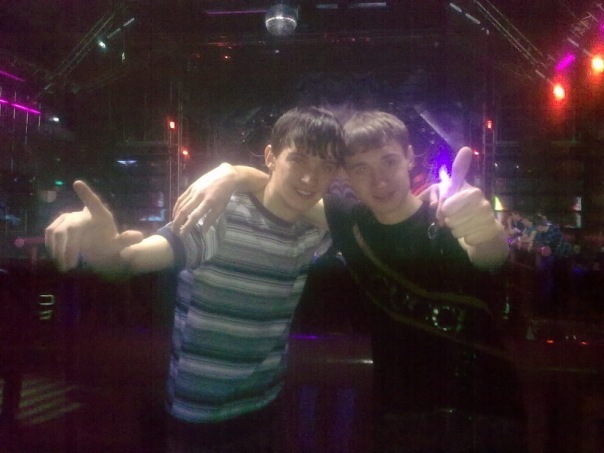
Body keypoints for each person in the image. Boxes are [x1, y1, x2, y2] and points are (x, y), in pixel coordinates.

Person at [173, 110, 528, 452]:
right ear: (345, 176)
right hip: (400, 416)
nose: (379, 181)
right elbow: (284, 188)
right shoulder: (349, 222)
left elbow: (490, 255)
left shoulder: (449, 216)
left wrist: (488, 233)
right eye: (361, 169)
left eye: (389, 161)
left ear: (409, 157)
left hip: (488, 413)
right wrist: (232, 174)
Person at [44, 106, 345, 452]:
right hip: (201, 416)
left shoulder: (313, 232)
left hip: (268, 405)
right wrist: (102, 250)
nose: (309, 178)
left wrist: (235, 172)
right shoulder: (221, 214)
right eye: (298, 160)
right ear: (270, 157)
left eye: (325, 167)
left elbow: (363, 223)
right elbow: (130, 261)